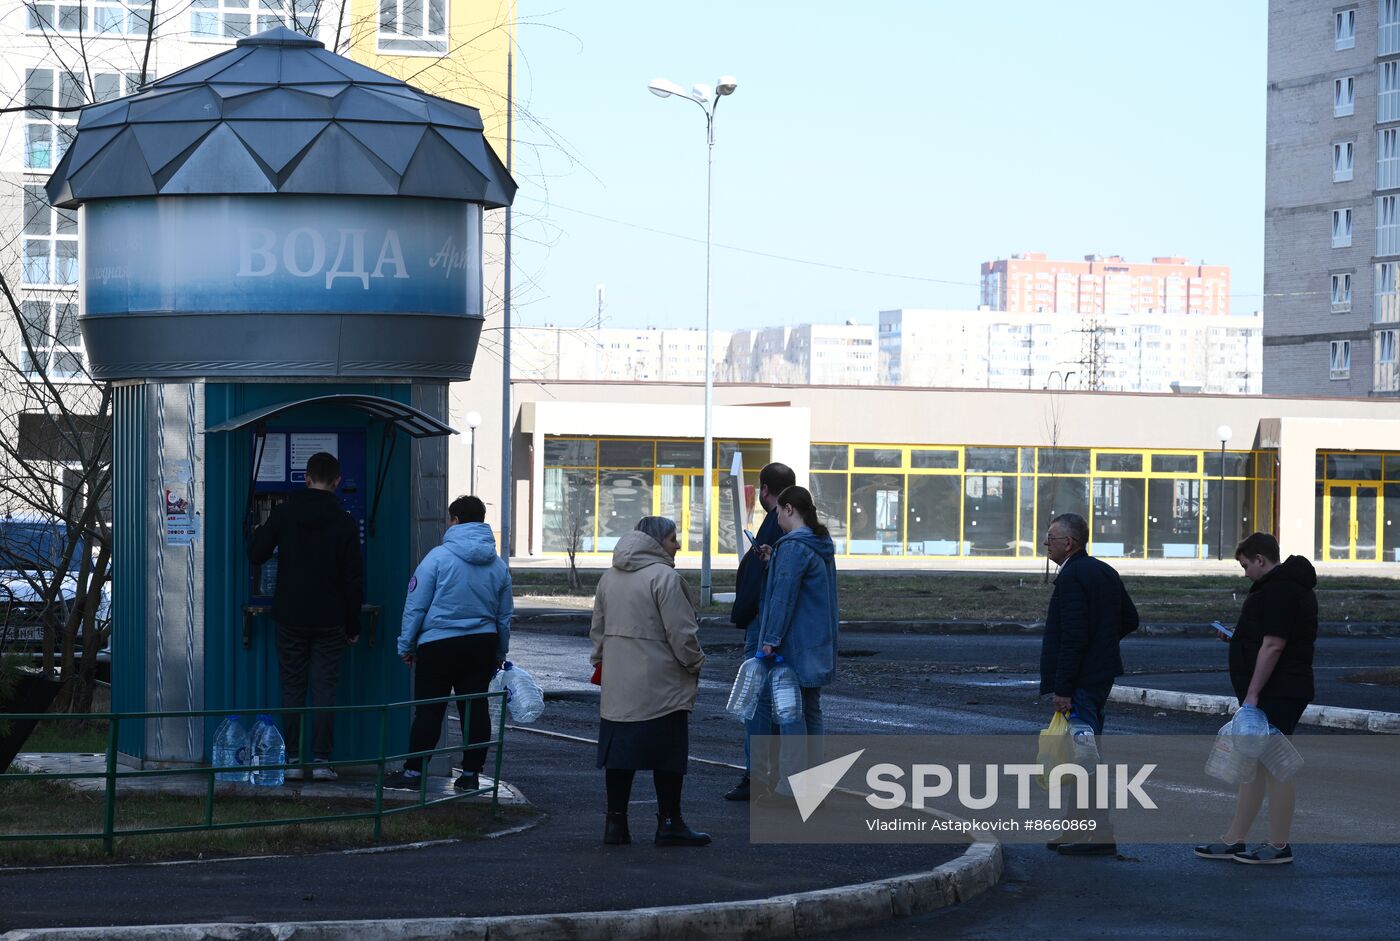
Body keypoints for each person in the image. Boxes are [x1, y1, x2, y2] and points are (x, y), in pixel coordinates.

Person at [1194, 532, 1317, 866]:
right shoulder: (1281, 588)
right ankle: (1234, 838)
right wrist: (1237, 641)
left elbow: (1275, 645)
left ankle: (1278, 845)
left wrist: (1252, 695)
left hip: (1278, 691)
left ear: (1261, 559)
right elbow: (1267, 639)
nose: (1244, 572)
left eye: (1245, 565)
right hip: (1274, 689)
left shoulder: (1282, 590)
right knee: (1254, 766)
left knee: (1276, 767)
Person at [590, 516, 708, 847]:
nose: (678, 544)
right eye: (673, 538)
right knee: (667, 754)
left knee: (619, 756)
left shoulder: (609, 577)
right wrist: (695, 663)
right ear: (656, 542)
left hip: (619, 684)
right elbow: (682, 634)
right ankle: (670, 822)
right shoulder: (665, 578)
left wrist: (601, 661)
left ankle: (616, 825)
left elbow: (597, 630)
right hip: (662, 684)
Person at [384, 496, 513, 793]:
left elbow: (415, 606)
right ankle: (470, 775)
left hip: (438, 646)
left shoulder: (437, 558)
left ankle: (414, 773)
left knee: (430, 710)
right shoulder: (497, 565)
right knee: (475, 708)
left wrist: (406, 645)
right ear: (482, 520)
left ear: (454, 520)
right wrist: (499, 652)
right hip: (481, 644)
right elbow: (504, 615)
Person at [248, 451, 363, 781]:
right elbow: (353, 579)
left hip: (291, 615)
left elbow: (256, 554)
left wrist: (258, 528)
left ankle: (294, 760)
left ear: (306, 478)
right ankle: (323, 760)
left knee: (293, 687)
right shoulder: (344, 521)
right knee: (325, 687)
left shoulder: (286, 513)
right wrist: (353, 624)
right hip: (331, 617)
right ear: (337, 482)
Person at [1039, 511, 1139, 855]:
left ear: (1068, 543)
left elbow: (1072, 638)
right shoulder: (1104, 571)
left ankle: (1096, 833)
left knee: (1084, 759)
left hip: (1079, 682)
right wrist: (1104, 646)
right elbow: (1131, 618)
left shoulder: (1072, 578)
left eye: (1050, 538)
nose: (1045, 544)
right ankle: (1076, 828)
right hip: (1098, 675)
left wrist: (1062, 688)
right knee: (1084, 754)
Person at [754, 485, 839, 799]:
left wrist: (770, 640)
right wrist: (772, 559)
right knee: (811, 710)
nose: (777, 518)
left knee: (790, 714)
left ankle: (791, 786)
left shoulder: (793, 546)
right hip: (817, 642)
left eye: (778, 511)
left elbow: (783, 598)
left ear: (789, 509)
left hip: (793, 643)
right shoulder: (819, 543)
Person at [723, 461, 796, 802]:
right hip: (776, 624)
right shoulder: (796, 525)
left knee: (757, 701)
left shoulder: (775, 522)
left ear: (764, 490)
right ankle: (779, 776)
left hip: (764, 624)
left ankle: (758, 776)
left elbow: (767, 581)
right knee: (782, 701)